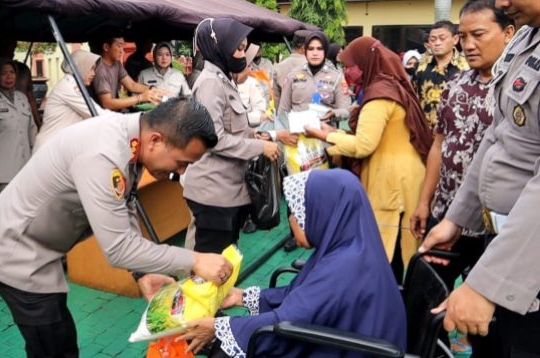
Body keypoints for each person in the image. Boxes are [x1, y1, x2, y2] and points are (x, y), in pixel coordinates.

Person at [0, 97, 234, 356]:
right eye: (182, 162)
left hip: (39, 246)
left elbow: (125, 204)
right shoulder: (104, 152)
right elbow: (118, 248)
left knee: (57, 340)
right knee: (54, 344)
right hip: (15, 251)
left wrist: (141, 272)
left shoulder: (130, 140)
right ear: (156, 140)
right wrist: (195, 260)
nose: (180, 171)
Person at [177, 169, 407, 357]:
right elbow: (304, 300)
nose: (291, 221)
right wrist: (241, 297)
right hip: (351, 341)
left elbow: (288, 322)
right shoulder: (352, 246)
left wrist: (218, 328)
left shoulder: (344, 266)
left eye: (296, 212)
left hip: (347, 349)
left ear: (322, 213)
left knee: (225, 350)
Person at [419, 0, 540, 356]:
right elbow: (499, 135)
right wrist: (458, 218)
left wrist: (489, 284)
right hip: (504, 242)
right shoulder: (525, 39)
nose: (501, 2)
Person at [305, 36, 432, 283]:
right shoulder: (391, 85)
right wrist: (335, 133)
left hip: (391, 183)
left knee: (388, 253)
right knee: (399, 250)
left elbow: (364, 145)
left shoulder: (378, 96)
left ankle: (391, 308)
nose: (348, 72)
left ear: (366, 62)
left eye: (351, 65)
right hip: (406, 177)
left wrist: (324, 135)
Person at [410, 0, 514, 289]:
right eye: (464, 36)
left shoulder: (517, 91)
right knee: (421, 292)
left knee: (484, 318)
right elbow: (438, 146)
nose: (468, 45)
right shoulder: (454, 85)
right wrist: (424, 201)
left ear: (508, 33)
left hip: (492, 228)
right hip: (445, 216)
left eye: (478, 35)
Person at [183, 18, 279, 254]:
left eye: (244, 49)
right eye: (239, 48)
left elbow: (231, 126)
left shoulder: (223, 79)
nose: (243, 56)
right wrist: (258, 147)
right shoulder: (210, 84)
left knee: (225, 259)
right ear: (221, 48)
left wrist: (252, 134)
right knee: (208, 264)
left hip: (228, 190)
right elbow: (213, 138)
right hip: (213, 193)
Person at [0, 58, 37, 191]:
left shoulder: (21, 97)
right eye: (3, 73)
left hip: (26, 167)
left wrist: (36, 158)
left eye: (12, 72)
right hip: (5, 172)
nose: (9, 76)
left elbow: (32, 130)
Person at [33, 49, 106, 152]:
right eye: (91, 68)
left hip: (58, 148)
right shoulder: (69, 87)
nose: (94, 73)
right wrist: (129, 121)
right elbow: (97, 113)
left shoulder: (76, 86)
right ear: (81, 66)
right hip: (49, 149)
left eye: (95, 69)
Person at [278, 32, 351, 124]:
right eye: (311, 49)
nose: (315, 53)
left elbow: (346, 110)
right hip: (296, 135)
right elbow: (283, 111)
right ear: (305, 51)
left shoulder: (337, 77)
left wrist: (333, 113)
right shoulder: (293, 75)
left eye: (319, 49)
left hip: (324, 134)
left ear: (325, 51)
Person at [412, 21, 470, 128]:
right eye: (433, 39)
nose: (437, 43)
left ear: (455, 39)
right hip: (425, 131)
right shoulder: (420, 66)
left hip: (457, 130)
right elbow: (413, 98)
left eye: (442, 38)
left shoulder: (467, 67)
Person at [0, 38, 42, 130]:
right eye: (3, 44)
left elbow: (31, 99)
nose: (9, 77)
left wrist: (39, 124)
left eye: (10, 43)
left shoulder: (24, 70)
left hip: (24, 125)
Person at [90, 31, 164, 111]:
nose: (122, 51)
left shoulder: (116, 64)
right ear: (106, 47)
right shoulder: (100, 69)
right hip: (102, 117)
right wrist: (140, 97)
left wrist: (152, 89)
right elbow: (107, 103)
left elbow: (131, 85)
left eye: (123, 46)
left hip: (114, 113)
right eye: (119, 46)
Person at [272, 30, 310, 106]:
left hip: (286, 115)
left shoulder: (279, 67)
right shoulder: (312, 66)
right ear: (303, 48)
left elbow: (276, 99)